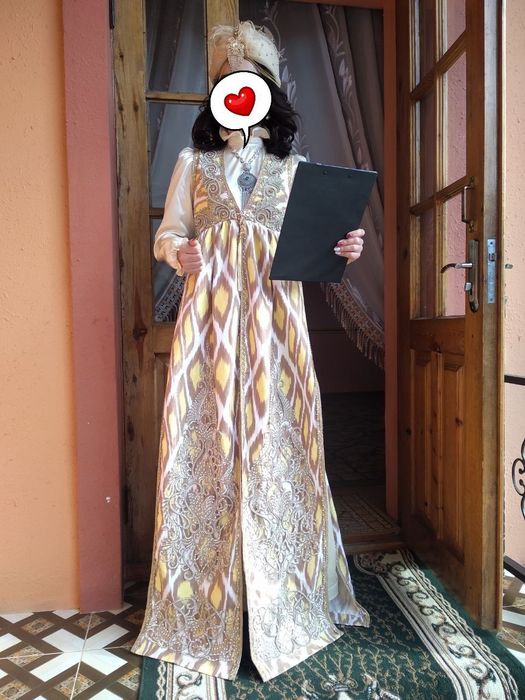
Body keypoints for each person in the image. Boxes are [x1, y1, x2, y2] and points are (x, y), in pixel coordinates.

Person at [130, 20, 370, 683]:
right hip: (207, 328)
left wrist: (346, 250)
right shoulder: (193, 163)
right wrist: (177, 252)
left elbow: (320, 249)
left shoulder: (295, 172)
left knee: (278, 447)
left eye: (252, 81)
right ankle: (204, 606)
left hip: (275, 331)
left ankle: (283, 599)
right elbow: (169, 234)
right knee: (205, 447)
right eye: (229, 83)